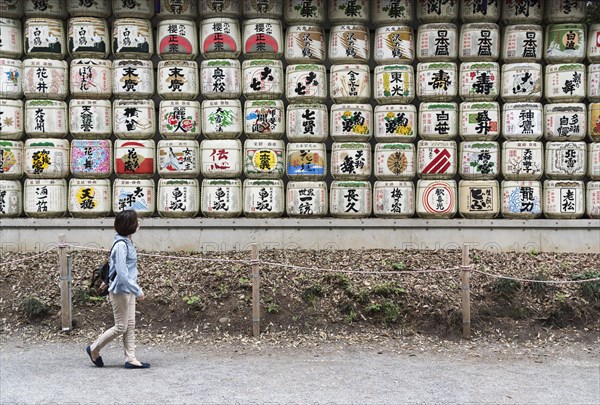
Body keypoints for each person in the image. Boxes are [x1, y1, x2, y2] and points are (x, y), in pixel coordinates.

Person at [86, 209, 150, 369]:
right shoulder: (121, 245)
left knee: (130, 324)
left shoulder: (126, 242)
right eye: (137, 221)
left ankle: (130, 358)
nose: (139, 223)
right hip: (121, 290)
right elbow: (122, 274)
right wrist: (137, 290)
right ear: (130, 226)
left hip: (127, 289)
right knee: (121, 326)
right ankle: (94, 349)